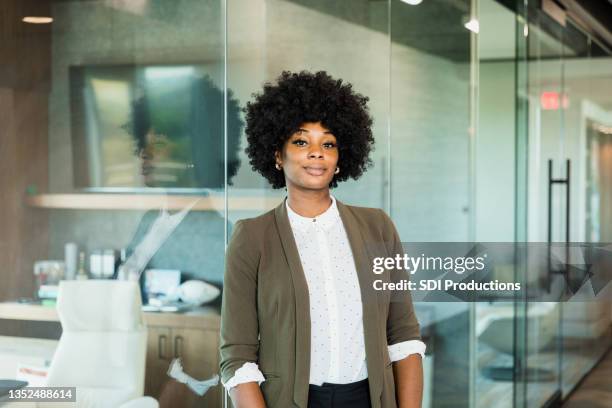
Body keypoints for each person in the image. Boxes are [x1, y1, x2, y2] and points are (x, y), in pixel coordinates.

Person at [220, 71, 425, 408]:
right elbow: (237, 356)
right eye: (301, 142)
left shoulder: (378, 228)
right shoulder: (252, 238)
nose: (317, 153)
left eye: (328, 143)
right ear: (277, 154)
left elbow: (403, 334)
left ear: (340, 159)